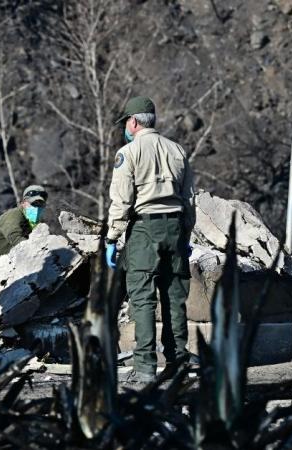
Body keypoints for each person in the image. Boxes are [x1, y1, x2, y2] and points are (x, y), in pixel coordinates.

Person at [105, 96, 197, 382]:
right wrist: (186, 233)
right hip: (175, 227)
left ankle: (145, 366)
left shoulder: (128, 153)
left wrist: (112, 237)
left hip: (144, 230)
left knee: (143, 299)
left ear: (133, 122)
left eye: (126, 123)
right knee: (174, 298)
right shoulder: (177, 150)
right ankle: (177, 362)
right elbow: (189, 199)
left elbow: (121, 200)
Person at [0, 185, 48, 272]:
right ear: (24, 203)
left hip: (5, 268)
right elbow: (15, 238)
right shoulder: (14, 215)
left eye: (40, 205)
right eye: (33, 204)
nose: (36, 208)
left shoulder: (32, 223)